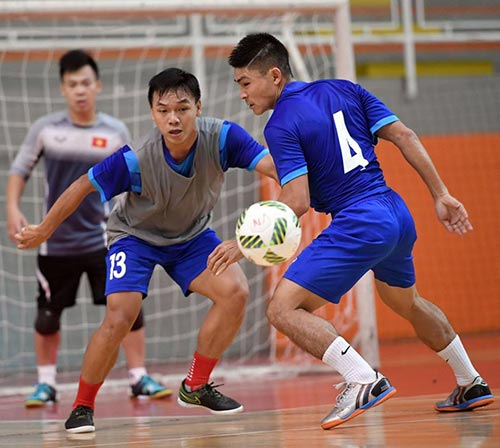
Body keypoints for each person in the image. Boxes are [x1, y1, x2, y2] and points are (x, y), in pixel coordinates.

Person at [226, 33, 495, 429]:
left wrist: (247, 240)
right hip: (395, 212)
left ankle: (361, 378)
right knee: (407, 302)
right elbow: (406, 136)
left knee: (282, 308)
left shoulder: (280, 123)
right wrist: (441, 194)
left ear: (275, 76)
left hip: (358, 221)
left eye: (245, 84)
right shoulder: (346, 88)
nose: (243, 95)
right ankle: (470, 381)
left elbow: (296, 200)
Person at [15, 67, 277, 433]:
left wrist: (297, 195)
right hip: (134, 238)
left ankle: (196, 385)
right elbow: (80, 187)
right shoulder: (135, 158)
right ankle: (82, 406)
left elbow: (274, 168)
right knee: (121, 316)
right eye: (163, 109)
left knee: (235, 292)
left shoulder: (223, 138)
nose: (173, 118)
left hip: (192, 237)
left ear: (198, 107)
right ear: (152, 113)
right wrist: (44, 229)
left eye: (182, 108)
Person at [6, 49, 171, 408]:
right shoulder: (46, 130)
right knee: (47, 315)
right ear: (63, 90)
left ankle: (137, 376)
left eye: (85, 83)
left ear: (97, 86)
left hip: (104, 240)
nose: (79, 90)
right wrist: (13, 207)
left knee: (127, 308)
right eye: (72, 84)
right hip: (56, 243)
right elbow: (19, 170)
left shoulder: (115, 132)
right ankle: (46, 383)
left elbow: (131, 181)